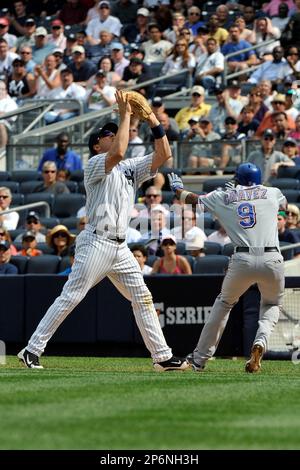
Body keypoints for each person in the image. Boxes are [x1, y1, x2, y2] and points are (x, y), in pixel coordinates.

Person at [18, 90, 188, 372]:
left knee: (142, 298)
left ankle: (162, 357)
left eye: (114, 132)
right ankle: (31, 350)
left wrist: (154, 122)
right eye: (107, 135)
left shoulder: (130, 167)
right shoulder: (96, 163)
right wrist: (124, 115)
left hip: (121, 248)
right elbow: (119, 150)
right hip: (96, 242)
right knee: (71, 296)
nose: (114, 135)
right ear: (97, 145)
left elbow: (164, 154)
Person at [168, 162, 287, 373]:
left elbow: (191, 199)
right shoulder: (272, 192)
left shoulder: (222, 196)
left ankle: (199, 359)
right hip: (272, 258)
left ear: (237, 178)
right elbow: (284, 206)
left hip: (243, 257)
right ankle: (260, 341)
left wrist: (177, 189)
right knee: (271, 304)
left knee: (224, 304)